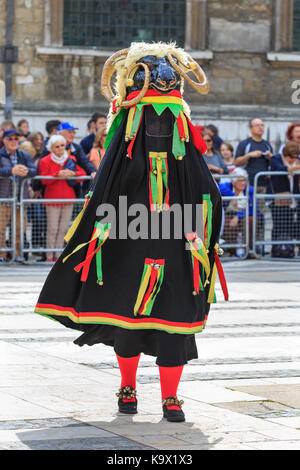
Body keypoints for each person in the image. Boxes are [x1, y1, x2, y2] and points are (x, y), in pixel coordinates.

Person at [35, 42, 227, 423]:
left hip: (174, 237)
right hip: (129, 231)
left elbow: (206, 193)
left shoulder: (183, 154)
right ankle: (130, 389)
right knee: (128, 314)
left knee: (172, 318)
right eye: (150, 120)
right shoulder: (125, 151)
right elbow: (105, 188)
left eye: (166, 120)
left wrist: (203, 231)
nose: (158, 125)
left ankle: (169, 397)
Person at [38, 135, 86, 262]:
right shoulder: (44, 161)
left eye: (62, 145)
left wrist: (73, 173)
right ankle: (49, 256)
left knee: (63, 228)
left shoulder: (72, 158)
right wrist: (56, 175)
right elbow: (43, 179)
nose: (60, 148)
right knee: (52, 228)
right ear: (51, 149)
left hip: (69, 199)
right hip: (52, 199)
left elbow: (82, 174)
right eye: (57, 146)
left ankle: (58, 255)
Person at [0, 129, 37, 262]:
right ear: (4, 140)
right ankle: (2, 256)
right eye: (10, 139)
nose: (13, 141)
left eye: (16, 138)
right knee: (1, 230)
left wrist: (27, 171)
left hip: (20, 199)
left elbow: (34, 170)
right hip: (3, 199)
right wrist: (11, 171)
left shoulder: (24, 155)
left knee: (19, 229)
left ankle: (18, 255)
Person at [218, 167, 259, 256]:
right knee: (226, 222)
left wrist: (238, 216)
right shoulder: (227, 186)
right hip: (229, 214)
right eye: (240, 180)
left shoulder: (250, 190)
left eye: (244, 180)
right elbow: (217, 186)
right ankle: (231, 250)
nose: (243, 183)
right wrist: (233, 196)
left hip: (245, 214)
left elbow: (253, 208)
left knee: (250, 221)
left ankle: (249, 250)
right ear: (233, 182)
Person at [269, 142, 300, 258]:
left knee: (290, 224)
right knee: (278, 224)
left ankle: (289, 249)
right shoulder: (276, 158)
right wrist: (295, 167)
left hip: (293, 196)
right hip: (278, 196)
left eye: (295, 157)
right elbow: (281, 169)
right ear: (286, 155)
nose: (293, 160)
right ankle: (275, 249)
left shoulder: (297, 160)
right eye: (291, 157)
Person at [58, 122, 97, 196]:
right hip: (54, 188)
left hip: (72, 188)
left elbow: (85, 161)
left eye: (74, 132)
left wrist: (93, 171)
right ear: (60, 134)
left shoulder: (76, 147)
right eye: (69, 132)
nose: (72, 135)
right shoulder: (50, 146)